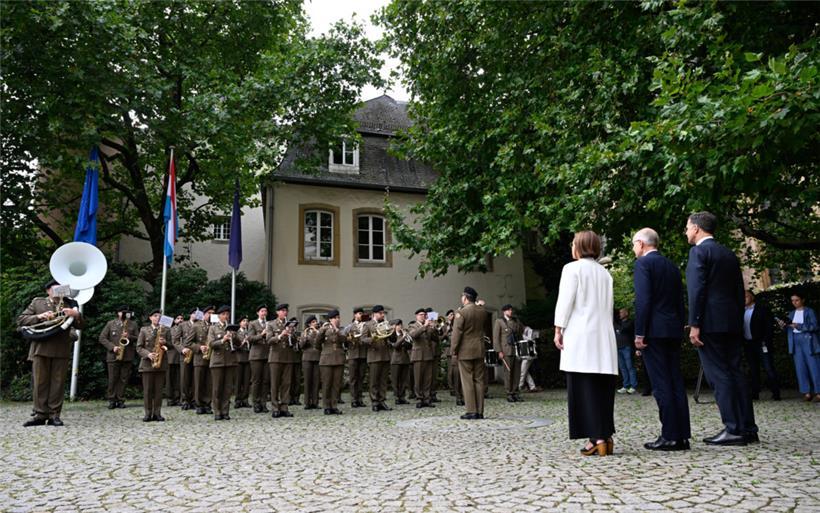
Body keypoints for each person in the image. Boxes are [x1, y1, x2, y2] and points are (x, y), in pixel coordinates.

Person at [685, 212, 757, 445]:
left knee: (719, 375)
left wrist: (695, 323)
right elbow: (739, 291)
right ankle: (748, 428)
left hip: (710, 323)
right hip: (731, 322)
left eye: (687, 227)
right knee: (736, 372)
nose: (686, 232)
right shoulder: (728, 253)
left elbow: (696, 290)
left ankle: (733, 428)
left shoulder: (698, 252)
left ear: (697, 228)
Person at [553, 231, 618, 456]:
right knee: (602, 389)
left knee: (583, 388)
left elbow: (565, 302)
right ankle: (605, 435)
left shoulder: (572, 269)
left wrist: (558, 329)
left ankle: (596, 438)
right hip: (604, 337)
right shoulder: (605, 273)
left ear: (579, 247)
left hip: (581, 336)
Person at [632, 227, 691, 451]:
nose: (633, 249)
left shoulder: (643, 264)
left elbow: (643, 301)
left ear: (641, 243)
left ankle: (670, 435)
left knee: (661, 384)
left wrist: (640, 332)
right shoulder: (671, 265)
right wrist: (680, 325)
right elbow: (680, 300)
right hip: (672, 330)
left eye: (634, 244)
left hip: (654, 332)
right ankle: (682, 435)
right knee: (675, 381)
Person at [17, 279, 85, 427]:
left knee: (58, 383)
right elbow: (21, 320)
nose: (58, 291)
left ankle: (54, 415)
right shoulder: (38, 303)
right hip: (41, 348)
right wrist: (39, 317)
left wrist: (76, 314)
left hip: (61, 349)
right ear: (48, 291)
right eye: (55, 289)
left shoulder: (69, 305)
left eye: (61, 288)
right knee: (40, 383)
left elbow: (80, 326)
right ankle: (40, 414)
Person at [451, 286, 491, 420]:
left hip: (465, 350)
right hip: (479, 349)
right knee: (479, 380)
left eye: (462, 296)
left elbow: (456, 334)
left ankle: (471, 410)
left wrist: (454, 350)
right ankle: (480, 411)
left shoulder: (461, 312)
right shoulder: (482, 311)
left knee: (467, 380)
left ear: (465, 298)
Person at [781, 292, 820, 402]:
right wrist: (783, 326)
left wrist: (799, 326)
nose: (794, 302)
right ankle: (806, 392)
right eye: (792, 300)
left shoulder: (809, 311)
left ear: (803, 300)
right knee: (800, 368)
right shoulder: (791, 313)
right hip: (795, 341)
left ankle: (819, 392)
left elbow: (815, 326)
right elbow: (789, 329)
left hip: (808, 340)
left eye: (797, 300)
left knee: (814, 367)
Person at [98, 305, 138, 409]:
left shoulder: (133, 324)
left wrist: (129, 336)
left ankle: (120, 399)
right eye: (122, 312)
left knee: (124, 379)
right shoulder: (111, 323)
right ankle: (111, 400)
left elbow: (138, 338)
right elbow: (102, 338)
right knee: (112, 378)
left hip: (127, 355)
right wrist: (112, 347)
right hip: (113, 355)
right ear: (118, 313)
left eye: (126, 312)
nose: (124, 314)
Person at [743, 291, 780, 401]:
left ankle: (776, 392)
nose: (744, 298)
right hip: (748, 344)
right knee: (753, 369)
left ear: (752, 297)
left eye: (746, 296)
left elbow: (769, 327)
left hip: (762, 343)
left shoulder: (762, 309)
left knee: (768, 368)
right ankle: (755, 393)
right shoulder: (740, 311)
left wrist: (765, 341)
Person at [136, 310, 170, 422]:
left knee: (159, 391)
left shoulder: (165, 330)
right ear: (150, 318)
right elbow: (139, 347)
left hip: (161, 363)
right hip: (147, 364)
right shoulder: (144, 330)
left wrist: (165, 343)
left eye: (159, 316)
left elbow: (171, 345)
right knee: (148, 391)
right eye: (155, 316)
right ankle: (148, 413)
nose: (157, 318)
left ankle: (157, 413)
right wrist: (148, 354)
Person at [208, 305, 238, 420]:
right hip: (217, 361)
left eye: (227, 314)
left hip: (230, 361)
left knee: (227, 388)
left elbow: (239, 343)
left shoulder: (231, 328)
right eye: (223, 314)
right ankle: (217, 411)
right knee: (217, 388)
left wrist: (233, 336)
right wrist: (222, 340)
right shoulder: (213, 328)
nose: (226, 316)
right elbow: (211, 344)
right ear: (219, 316)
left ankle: (225, 411)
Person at [267, 304, 297, 418]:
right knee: (275, 383)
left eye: (286, 311)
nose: (285, 313)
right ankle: (275, 407)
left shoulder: (290, 324)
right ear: (277, 312)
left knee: (286, 383)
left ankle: (284, 407)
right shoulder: (271, 324)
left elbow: (295, 341)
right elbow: (269, 340)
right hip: (275, 357)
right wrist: (280, 336)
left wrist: (291, 334)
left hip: (288, 357)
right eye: (282, 311)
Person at [362, 305, 392, 412]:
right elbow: (363, 339)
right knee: (374, 380)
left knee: (383, 381)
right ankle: (375, 401)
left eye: (383, 313)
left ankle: (382, 400)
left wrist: (391, 331)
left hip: (385, 355)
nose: (382, 315)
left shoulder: (385, 323)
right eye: (380, 313)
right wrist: (372, 339)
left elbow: (392, 339)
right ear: (374, 314)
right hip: (374, 355)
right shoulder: (368, 324)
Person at [493, 304, 524, 402]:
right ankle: (509, 393)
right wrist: (499, 351)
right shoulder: (499, 321)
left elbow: (521, 332)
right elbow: (496, 338)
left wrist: (518, 321)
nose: (511, 311)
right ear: (504, 311)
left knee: (517, 373)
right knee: (508, 373)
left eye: (511, 310)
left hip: (516, 350)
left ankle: (515, 392)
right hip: (506, 350)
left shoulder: (515, 321)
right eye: (509, 310)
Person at [317, 310, 345, 415]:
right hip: (326, 360)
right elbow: (317, 343)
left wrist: (337, 331)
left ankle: (334, 405)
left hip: (338, 359)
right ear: (330, 319)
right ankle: (326, 406)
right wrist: (322, 330)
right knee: (327, 384)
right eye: (335, 318)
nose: (337, 319)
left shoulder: (341, 330)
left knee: (336, 384)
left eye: (338, 317)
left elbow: (345, 340)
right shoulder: (324, 329)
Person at [409, 308, 438, 408]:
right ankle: (419, 399)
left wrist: (433, 328)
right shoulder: (413, 326)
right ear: (416, 316)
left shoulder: (428, 326)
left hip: (428, 355)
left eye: (424, 315)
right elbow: (414, 335)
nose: (423, 316)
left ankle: (427, 398)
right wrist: (424, 326)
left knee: (427, 379)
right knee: (418, 379)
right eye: (421, 315)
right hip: (418, 356)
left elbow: (435, 339)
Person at [248, 305, 270, 413]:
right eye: (262, 311)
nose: (264, 313)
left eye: (265, 311)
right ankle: (256, 403)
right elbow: (250, 338)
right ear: (258, 313)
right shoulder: (253, 323)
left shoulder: (269, 324)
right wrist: (261, 335)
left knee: (265, 380)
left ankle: (263, 403)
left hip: (267, 355)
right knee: (256, 380)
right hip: (256, 356)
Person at [192, 305, 215, 415]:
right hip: (199, 358)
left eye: (213, 313)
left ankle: (207, 404)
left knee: (209, 383)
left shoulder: (214, 326)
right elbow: (188, 342)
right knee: (199, 383)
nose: (211, 315)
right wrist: (199, 347)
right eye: (209, 313)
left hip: (211, 358)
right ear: (204, 314)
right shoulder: (196, 326)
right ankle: (199, 404)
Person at [346, 307, 369, 408]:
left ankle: (360, 399)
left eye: (362, 313)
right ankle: (354, 399)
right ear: (355, 315)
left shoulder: (366, 325)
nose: (361, 315)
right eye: (359, 313)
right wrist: (349, 339)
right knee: (353, 378)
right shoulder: (350, 326)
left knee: (361, 378)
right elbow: (344, 338)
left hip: (363, 354)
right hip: (353, 354)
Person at [176, 308, 198, 410]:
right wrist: (182, 349)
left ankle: (194, 400)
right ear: (190, 314)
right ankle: (185, 400)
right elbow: (175, 340)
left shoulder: (200, 325)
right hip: (185, 354)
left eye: (197, 314)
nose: (196, 315)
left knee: (195, 378)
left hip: (196, 354)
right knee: (184, 378)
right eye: (194, 313)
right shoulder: (183, 325)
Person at [299, 315, 321, 410]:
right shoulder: (305, 332)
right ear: (309, 324)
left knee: (316, 381)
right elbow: (301, 345)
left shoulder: (319, 332)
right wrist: (305, 337)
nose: (315, 323)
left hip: (317, 357)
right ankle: (307, 402)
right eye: (313, 322)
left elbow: (321, 343)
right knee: (307, 380)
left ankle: (315, 402)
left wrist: (317, 332)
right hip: (307, 358)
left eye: (315, 322)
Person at [614, 308, 637, 394]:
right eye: (619, 313)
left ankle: (633, 386)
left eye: (621, 312)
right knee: (623, 368)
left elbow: (624, 329)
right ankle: (626, 385)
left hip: (627, 347)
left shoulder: (630, 322)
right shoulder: (618, 323)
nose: (619, 314)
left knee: (630, 367)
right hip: (618, 347)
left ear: (626, 313)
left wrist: (617, 327)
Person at [389, 319, 412, 405]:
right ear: (394, 326)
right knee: (395, 380)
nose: (400, 327)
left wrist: (406, 338)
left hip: (405, 359)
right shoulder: (391, 335)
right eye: (398, 325)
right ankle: (397, 397)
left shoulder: (405, 334)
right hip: (395, 360)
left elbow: (409, 346)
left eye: (400, 325)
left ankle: (402, 397)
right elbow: (395, 346)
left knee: (403, 380)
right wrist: (403, 338)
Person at [165, 314, 183, 406]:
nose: (180, 320)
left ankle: (178, 397)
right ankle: (170, 398)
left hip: (181, 356)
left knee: (179, 379)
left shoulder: (185, 328)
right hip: (171, 357)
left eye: (181, 318)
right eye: (178, 318)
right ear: (174, 320)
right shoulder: (169, 329)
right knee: (169, 379)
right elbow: (169, 342)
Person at [234, 315, 252, 408]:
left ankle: (245, 399)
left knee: (246, 381)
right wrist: (242, 343)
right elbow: (234, 346)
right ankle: (238, 400)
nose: (245, 322)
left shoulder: (249, 332)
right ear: (240, 323)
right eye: (243, 321)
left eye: (246, 321)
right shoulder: (236, 333)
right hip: (239, 358)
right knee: (238, 380)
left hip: (248, 358)